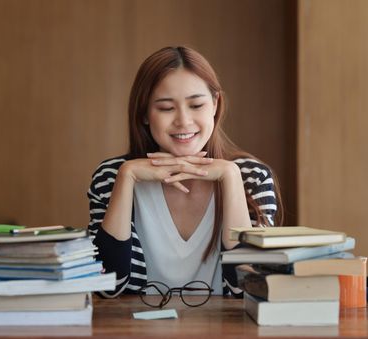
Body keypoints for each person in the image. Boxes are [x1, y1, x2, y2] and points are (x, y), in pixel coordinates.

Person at [87, 46, 282, 298]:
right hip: (134, 334)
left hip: (229, 335)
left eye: (196, 105)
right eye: (166, 108)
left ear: (214, 104)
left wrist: (231, 177)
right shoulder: (111, 176)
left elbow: (248, 288)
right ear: (144, 114)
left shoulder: (251, 177)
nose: (183, 121)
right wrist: (127, 177)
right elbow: (108, 287)